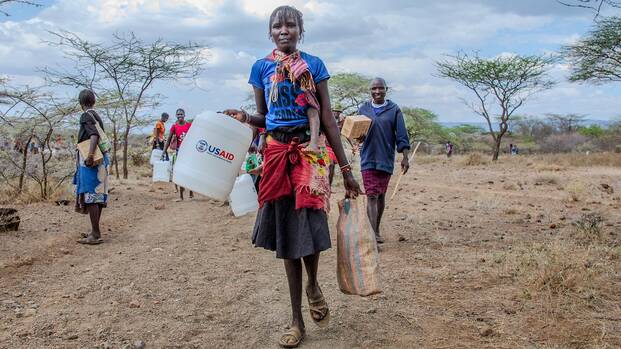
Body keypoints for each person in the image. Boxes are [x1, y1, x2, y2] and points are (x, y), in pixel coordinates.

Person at [223, 6, 362, 348]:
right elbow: (265, 117)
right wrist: (245, 117)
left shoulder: (314, 65)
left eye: (290, 24)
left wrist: (345, 170)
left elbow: (327, 118)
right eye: (277, 25)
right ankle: (296, 320)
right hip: (275, 155)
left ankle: (314, 283)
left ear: (300, 30)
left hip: (309, 154)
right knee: (287, 236)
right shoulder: (261, 68)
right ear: (270, 32)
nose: (283, 29)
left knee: (310, 229)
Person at [358, 77, 410, 244]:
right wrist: (359, 138)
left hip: (385, 157)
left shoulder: (394, 109)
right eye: (374, 89)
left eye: (380, 88)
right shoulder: (363, 109)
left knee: (380, 195)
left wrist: (405, 157)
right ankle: (371, 236)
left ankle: (376, 229)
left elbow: (402, 135)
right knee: (371, 195)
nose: (377, 91)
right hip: (367, 157)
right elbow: (357, 133)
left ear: (386, 89)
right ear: (370, 90)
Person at [73, 89, 109, 245]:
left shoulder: (86, 115)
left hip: (92, 159)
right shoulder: (96, 116)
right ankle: (95, 231)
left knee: (92, 196)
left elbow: (94, 135)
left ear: (81, 103)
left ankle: (95, 234)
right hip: (102, 158)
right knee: (97, 196)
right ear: (94, 101)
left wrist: (89, 156)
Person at [163, 108, 194, 201]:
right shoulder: (174, 126)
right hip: (179, 151)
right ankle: (181, 195)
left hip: (189, 151)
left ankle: (191, 191)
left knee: (190, 171)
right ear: (176, 116)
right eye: (178, 114)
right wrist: (164, 151)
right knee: (179, 171)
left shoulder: (190, 125)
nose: (180, 116)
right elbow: (168, 139)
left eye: (181, 114)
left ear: (184, 115)